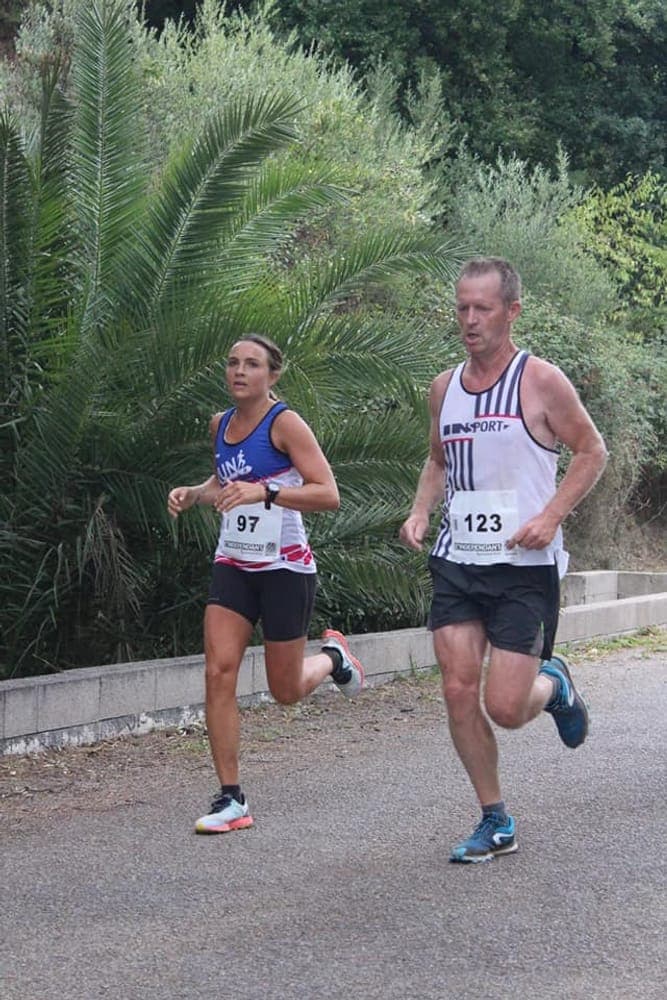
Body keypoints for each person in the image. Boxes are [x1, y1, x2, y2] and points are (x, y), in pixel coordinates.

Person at [399, 257, 608, 864]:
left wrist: (551, 516)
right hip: (459, 559)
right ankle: (495, 819)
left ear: (511, 311)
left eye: (482, 308)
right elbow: (438, 460)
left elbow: (592, 451)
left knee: (507, 708)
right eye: (462, 308)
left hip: (523, 567)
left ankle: (554, 684)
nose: (469, 320)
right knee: (458, 689)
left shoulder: (540, 381)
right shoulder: (444, 388)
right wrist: (420, 511)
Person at [168, 333, 364, 834]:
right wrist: (194, 493)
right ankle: (231, 798)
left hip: (285, 569)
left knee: (286, 690)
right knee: (218, 671)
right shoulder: (220, 424)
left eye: (252, 364)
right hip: (234, 563)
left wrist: (267, 492)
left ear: (272, 375)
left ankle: (333, 658)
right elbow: (224, 481)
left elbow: (328, 493)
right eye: (233, 362)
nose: (239, 371)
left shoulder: (285, 424)